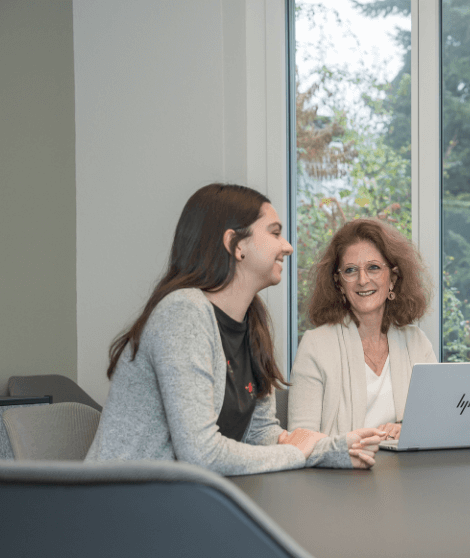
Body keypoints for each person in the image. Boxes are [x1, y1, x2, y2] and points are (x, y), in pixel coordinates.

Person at [87, 183, 380, 475]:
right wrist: (294, 452)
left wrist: (334, 450)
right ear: (236, 244)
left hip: (186, 493)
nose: (287, 247)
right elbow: (201, 454)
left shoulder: (252, 321)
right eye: (274, 233)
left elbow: (259, 434)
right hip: (124, 497)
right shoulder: (184, 312)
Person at [288, 218, 436, 439]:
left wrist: (407, 429)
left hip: (405, 462)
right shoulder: (315, 345)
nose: (363, 280)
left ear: (393, 278)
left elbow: (435, 421)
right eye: (350, 270)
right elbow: (300, 438)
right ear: (339, 283)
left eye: (373, 267)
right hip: (342, 462)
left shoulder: (417, 343)